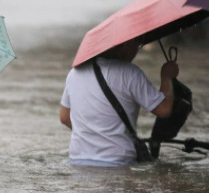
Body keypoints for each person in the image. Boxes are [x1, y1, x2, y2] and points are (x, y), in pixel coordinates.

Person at [59, 39, 179, 167]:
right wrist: (167, 77)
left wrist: (94, 133)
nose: (136, 50)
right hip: (118, 162)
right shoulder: (130, 73)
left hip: (78, 161)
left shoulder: (74, 73)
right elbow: (164, 109)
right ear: (125, 45)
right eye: (137, 45)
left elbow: (65, 117)